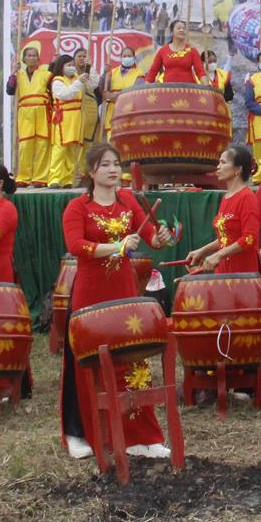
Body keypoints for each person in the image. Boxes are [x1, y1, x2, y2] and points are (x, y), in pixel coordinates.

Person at [58, 143, 176, 460]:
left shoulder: (128, 201)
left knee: (132, 359)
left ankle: (141, 436)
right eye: (106, 164)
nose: (113, 169)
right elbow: (76, 245)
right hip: (90, 293)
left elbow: (151, 236)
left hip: (123, 292)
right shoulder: (78, 207)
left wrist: (162, 238)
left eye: (116, 163)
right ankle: (78, 434)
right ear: (92, 171)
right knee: (84, 364)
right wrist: (116, 246)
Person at [185, 145, 261, 275]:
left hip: (242, 271)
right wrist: (202, 251)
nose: (218, 167)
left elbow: (250, 238)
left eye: (223, 162)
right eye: (219, 162)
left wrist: (218, 255)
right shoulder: (227, 197)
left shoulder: (247, 197)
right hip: (224, 268)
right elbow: (226, 237)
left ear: (238, 169)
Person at [6, 43, 53, 187]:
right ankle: (24, 176)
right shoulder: (18, 75)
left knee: (42, 144)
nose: (32, 58)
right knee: (25, 145)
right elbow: (10, 90)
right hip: (25, 111)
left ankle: (41, 177)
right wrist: (13, 73)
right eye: (29, 55)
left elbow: (54, 92)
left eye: (35, 56)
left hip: (41, 110)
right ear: (24, 59)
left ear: (38, 58)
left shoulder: (46, 74)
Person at [44, 54, 89, 188]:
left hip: (76, 117)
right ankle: (54, 178)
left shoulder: (78, 78)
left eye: (72, 65)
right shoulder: (57, 81)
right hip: (63, 117)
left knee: (72, 149)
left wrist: (89, 68)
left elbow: (93, 84)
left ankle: (68, 179)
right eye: (68, 65)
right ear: (61, 67)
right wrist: (79, 82)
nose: (71, 68)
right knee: (60, 149)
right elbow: (66, 95)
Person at [145, 18, 204, 84]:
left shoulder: (192, 50)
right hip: (168, 90)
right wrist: (146, 85)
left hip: (188, 90)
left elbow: (200, 72)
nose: (182, 30)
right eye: (179, 28)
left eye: (184, 29)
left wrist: (207, 87)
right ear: (172, 32)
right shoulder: (163, 50)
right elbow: (153, 71)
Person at [101, 50, 143, 138]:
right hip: (112, 113)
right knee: (111, 140)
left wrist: (113, 96)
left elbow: (136, 94)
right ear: (121, 57)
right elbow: (102, 88)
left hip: (129, 112)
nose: (127, 58)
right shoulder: (112, 72)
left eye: (129, 56)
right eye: (124, 56)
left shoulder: (139, 74)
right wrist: (105, 73)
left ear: (134, 58)